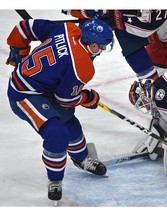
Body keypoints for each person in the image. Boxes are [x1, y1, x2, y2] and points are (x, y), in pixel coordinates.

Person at [5, 18, 114, 202]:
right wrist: (88, 98)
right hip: (24, 93)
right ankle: (55, 180)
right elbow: (65, 99)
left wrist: (18, 49)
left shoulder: (68, 28)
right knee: (57, 132)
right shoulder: (82, 66)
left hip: (43, 88)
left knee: (70, 123)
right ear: (91, 44)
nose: (101, 51)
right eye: (100, 47)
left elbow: (26, 27)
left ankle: (82, 159)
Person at [62, 10, 167, 80]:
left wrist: (114, 16)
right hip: (159, 34)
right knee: (156, 83)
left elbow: (148, 24)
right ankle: (165, 121)